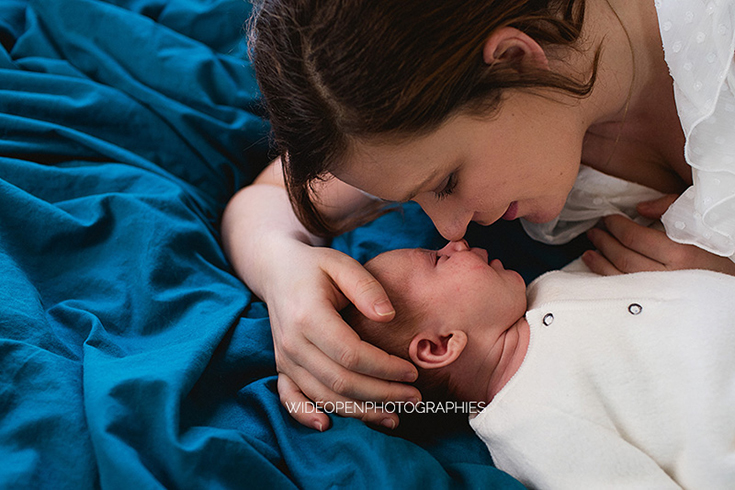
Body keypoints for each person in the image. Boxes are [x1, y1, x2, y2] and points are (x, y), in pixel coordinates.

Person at [221, 0, 735, 431]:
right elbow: (264, 203)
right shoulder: (392, 119)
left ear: (516, 60)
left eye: (447, 182)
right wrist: (282, 274)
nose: (451, 230)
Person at [343, 240, 735, 489]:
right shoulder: (530, 426)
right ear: (440, 346)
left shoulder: (547, 286)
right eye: (438, 260)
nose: (456, 243)